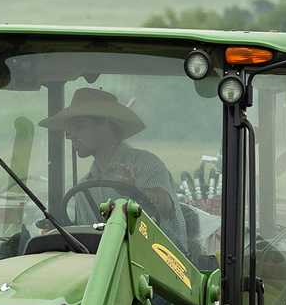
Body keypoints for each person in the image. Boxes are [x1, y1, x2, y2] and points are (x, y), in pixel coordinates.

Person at [39, 88, 181, 238]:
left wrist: (135, 191)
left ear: (105, 126)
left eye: (79, 126)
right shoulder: (84, 190)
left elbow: (165, 205)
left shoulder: (145, 163)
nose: (70, 136)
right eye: (69, 129)